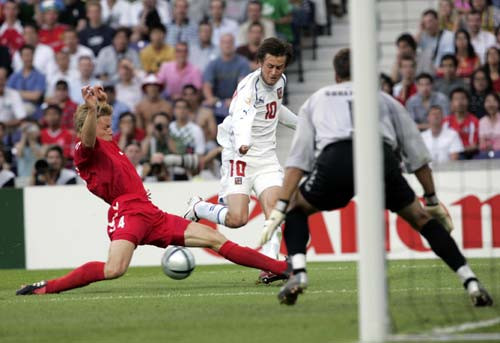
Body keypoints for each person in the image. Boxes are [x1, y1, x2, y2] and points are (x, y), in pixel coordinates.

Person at [260, 48, 493, 307]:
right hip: (379, 157)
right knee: (421, 219)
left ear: (336, 75)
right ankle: (470, 281)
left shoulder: (318, 99)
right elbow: (418, 157)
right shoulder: (384, 99)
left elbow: (297, 162)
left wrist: (280, 206)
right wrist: (431, 200)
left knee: (296, 208)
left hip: (336, 159)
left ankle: (299, 274)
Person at [16, 85, 290, 296]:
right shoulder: (84, 150)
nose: (111, 129)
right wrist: (90, 110)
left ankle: (282, 267)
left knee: (215, 239)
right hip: (128, 213)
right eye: (106, 125)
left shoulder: (108, 144)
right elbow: (88, 137)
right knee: (114, 269)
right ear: (90, 125)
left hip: (151, 213)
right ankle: (47, 287)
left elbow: (97, 125)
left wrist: (100, 103)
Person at [184, 38, 297, 283]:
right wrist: (244, 141)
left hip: (266, 158)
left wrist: (302, 126)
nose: (274, 72)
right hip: (240, 157)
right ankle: (199, 208)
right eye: (270, 66)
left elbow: (275, 109)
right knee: (237, 219)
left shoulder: (281, 82)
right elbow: (242, 118)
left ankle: (271, 265)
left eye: (279, 67)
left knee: (276, 211)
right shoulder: (249, 88)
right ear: (259, 63)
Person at [444, 87, 480, 158]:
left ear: (468, 101)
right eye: (456, 99)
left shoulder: (474, 121)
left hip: (468, 156)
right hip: (448, 155)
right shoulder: (445, 121)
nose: (460, 102)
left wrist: (457, 150)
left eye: (463, 98)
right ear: (451, 103)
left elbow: (474, 146)